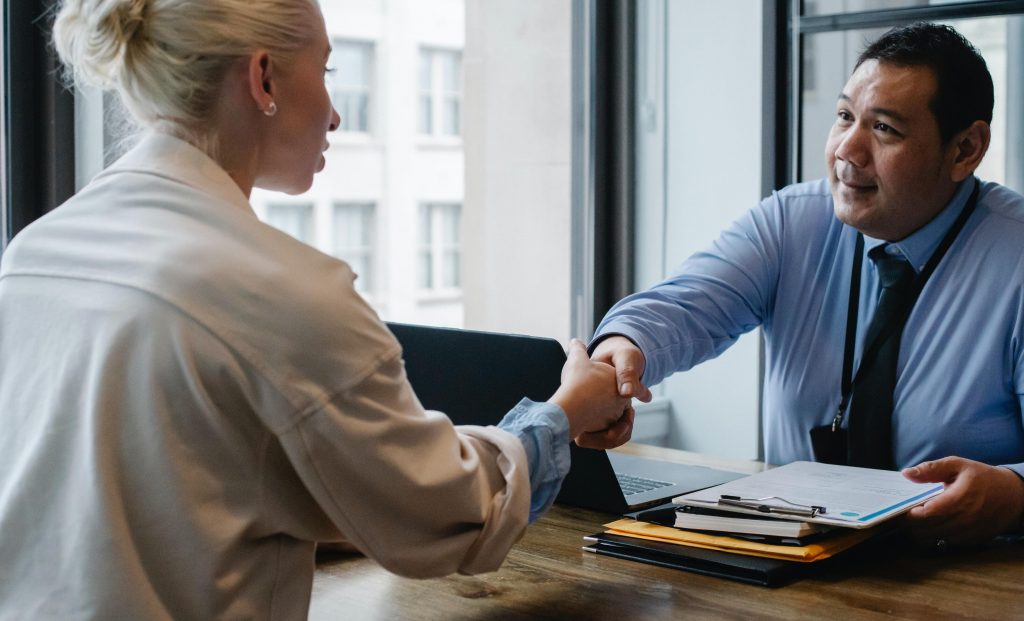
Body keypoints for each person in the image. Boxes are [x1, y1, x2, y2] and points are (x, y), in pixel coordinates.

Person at [0, 0, 633, 618]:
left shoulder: (33, 252)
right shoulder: (283, 290)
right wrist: (565, 411)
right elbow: (448, 516)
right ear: (263, 76)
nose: (334, 115)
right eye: (326, 71)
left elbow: (166, 490)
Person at [591, 22, 1024, 547]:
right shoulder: (792, 221)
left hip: (968, 576)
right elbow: (683, 308)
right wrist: (621, 351)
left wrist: (1014, 492)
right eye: (844, 117)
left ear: (965, 149)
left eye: (884, 129)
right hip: (796, 564)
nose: (848, 150)